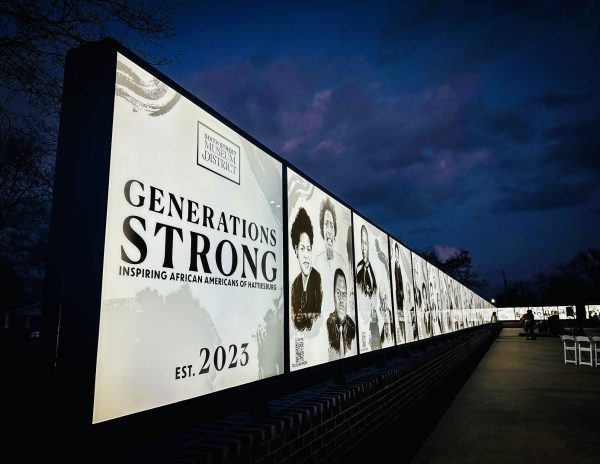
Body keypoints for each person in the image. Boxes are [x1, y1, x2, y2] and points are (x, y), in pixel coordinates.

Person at [290, 207, 322, 331]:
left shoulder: (317, 279)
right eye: (302, 248)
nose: (306, 255)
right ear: (296, 249)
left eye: (309, 249)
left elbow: (318, 317)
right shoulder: (295, 285)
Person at [326, 268, 356, 357]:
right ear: (333, 294)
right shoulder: (329, 325)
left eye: (344, 294)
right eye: (338, 293)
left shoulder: (352, 326)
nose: (341, 300)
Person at [356, 225, 377, 298]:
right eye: (362, 242)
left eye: (365, 243)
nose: (364, 247)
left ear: (368, 245)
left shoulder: (373, 269)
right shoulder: (358, 267)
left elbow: (375, 289)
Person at [393, 244, 406, 344]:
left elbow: (401, 283)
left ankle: (403, 335)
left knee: (402, 317)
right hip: (397, 296)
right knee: (399, 316)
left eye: (398, 254)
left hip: (400, 297)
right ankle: (401, 335)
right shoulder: (394, 267)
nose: (397, 257)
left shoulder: (399, 268)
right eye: (396, 254)